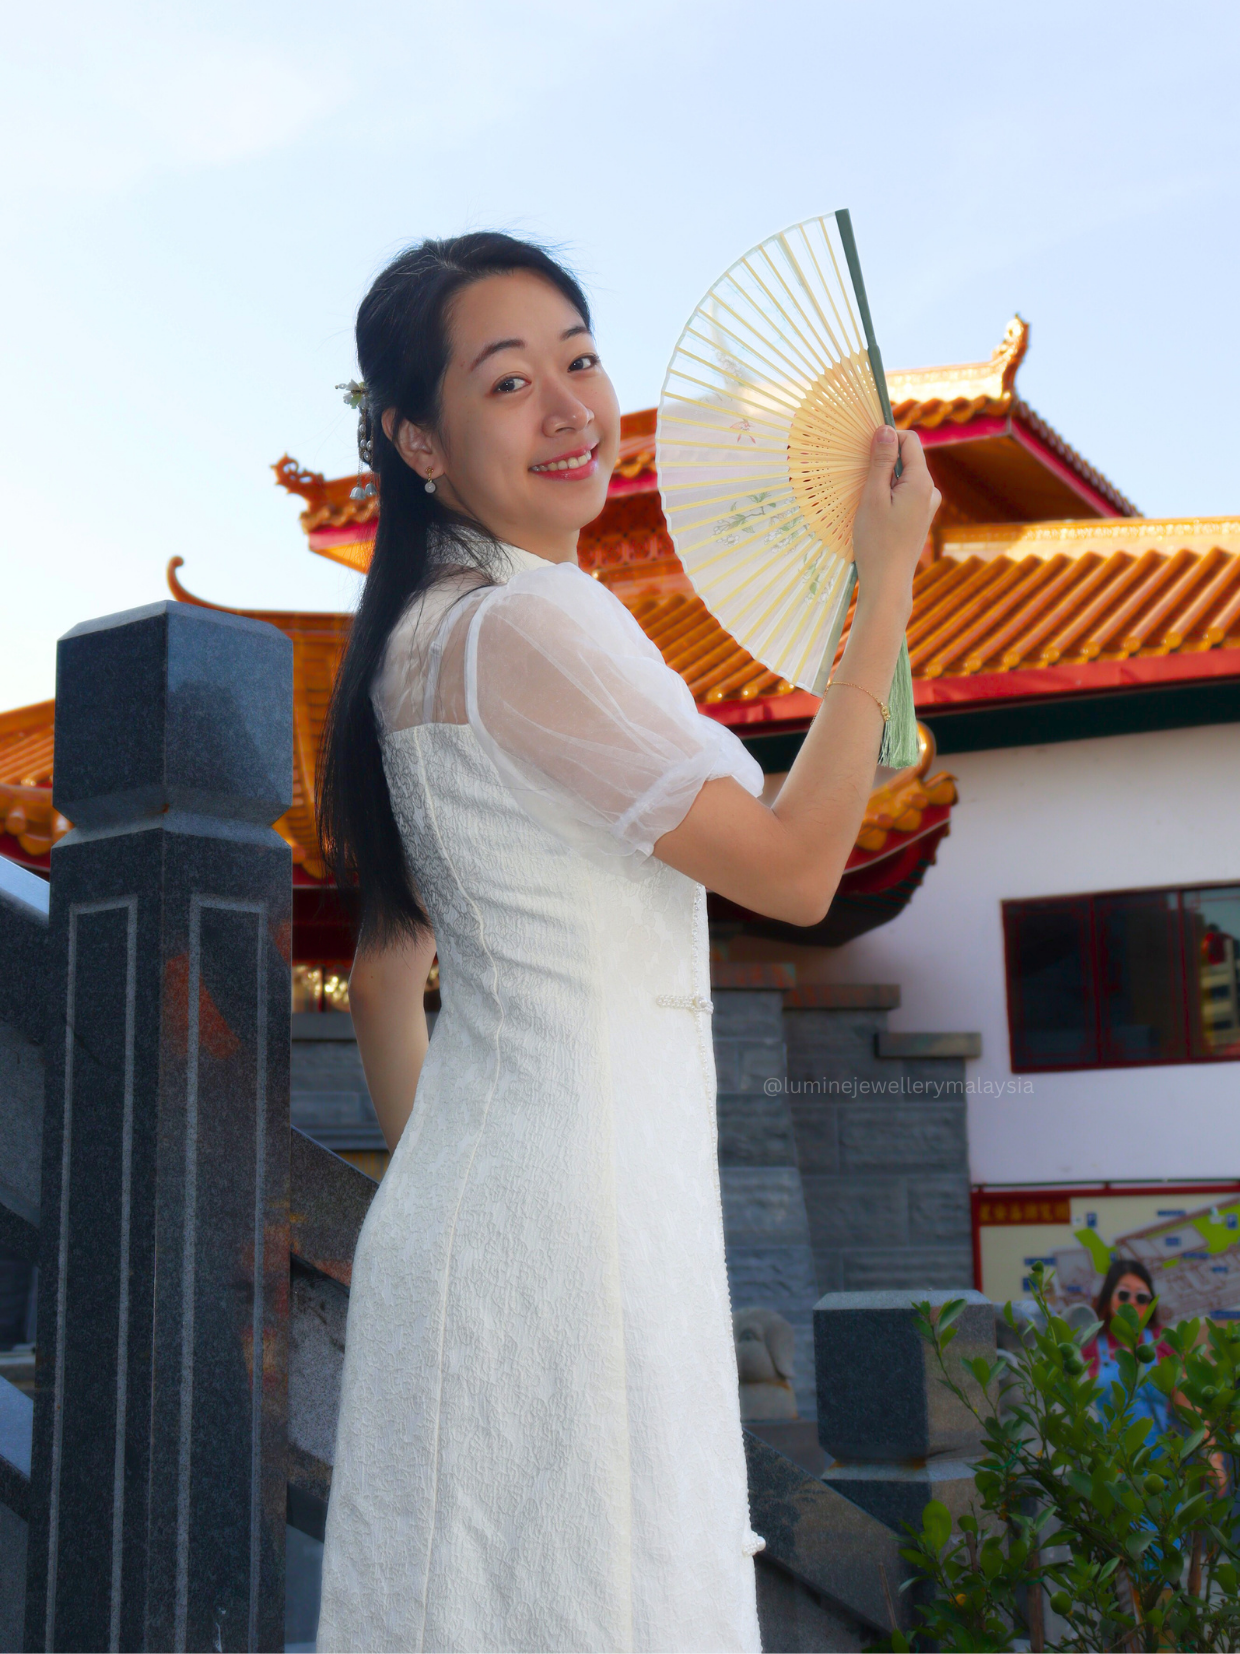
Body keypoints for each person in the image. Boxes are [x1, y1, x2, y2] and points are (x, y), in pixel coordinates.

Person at [313, 232, 938, 1653]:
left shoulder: (430, 630)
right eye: (510, 381)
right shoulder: (528, 631)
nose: (570, 407)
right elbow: (791, 868)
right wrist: (882, 578)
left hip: (503, 1217)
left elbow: (387, 972)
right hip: (580, 1231)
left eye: (581, 361)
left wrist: (457, 1193)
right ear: (417, 439)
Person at [1085, 1259, 1173, 1436]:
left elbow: (1185, 1401)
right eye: (1124, 1294)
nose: (1132, 1302)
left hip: (1159, 1459)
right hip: (1104, 1459)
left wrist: (1212, 1455)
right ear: (1108, 1296)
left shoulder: (1162, 1339)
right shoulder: (1089, 1342)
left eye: (1141, 1297)